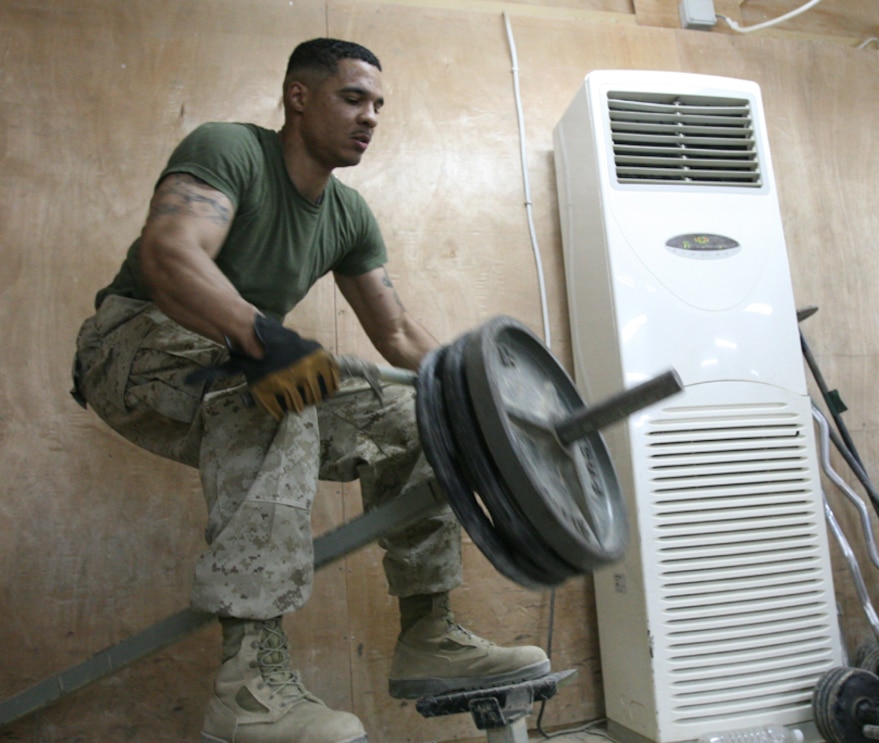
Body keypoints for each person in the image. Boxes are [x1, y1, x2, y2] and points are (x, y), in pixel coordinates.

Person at [71, 37, 549, 743]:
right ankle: (249, 688)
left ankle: (428, 634)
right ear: (299, 96)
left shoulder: (347, 214)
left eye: (378, 105)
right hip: (130, 347)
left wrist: (484, 398)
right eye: (353, 97)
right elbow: (170, 254)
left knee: (421, 417)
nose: (370, 117)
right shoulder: (230, 151)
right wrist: (261, 335)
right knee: (275, 393)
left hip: (232, 351)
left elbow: (397, 336)